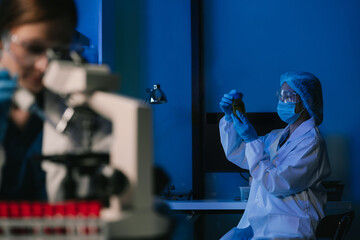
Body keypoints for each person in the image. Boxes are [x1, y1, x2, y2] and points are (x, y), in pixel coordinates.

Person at [219, 72, 331, 239]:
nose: (281, 100)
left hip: (290, 229)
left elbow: (276, 182)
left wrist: (252, 139)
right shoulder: (276, 136)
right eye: (280, 94)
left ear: (306, 101)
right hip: (264, 225)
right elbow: (240, 154)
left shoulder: (312, 143)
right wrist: (230, 118)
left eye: (287, 96)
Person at [0, 0, 77, 200]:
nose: (44, 65)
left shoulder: (76, 112)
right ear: (3, 41)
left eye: (57, 52)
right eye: (33, 48)